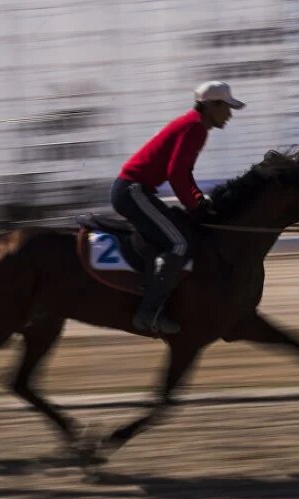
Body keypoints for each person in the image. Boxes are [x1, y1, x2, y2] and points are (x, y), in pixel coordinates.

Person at [111, 81, 245, 335]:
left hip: (136, 190)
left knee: (181, 236)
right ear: (212, 106)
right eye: (226, 108)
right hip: (132, 191)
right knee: (180, 243)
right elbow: (176, 174)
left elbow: (184, 173)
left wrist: (197, 199)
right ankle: (148, 313)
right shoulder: (195, 127)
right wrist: (194, 206)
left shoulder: (195, 125)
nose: (229, 115)